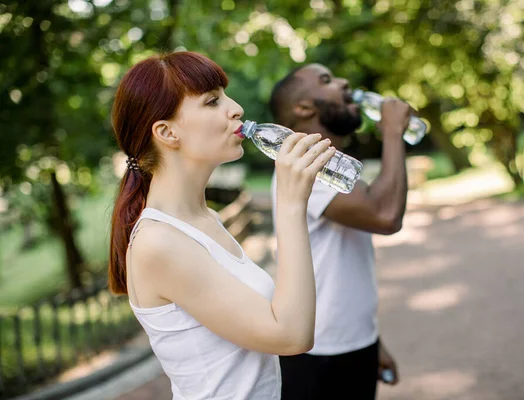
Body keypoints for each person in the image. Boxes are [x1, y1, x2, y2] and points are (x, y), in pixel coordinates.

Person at [107, 52, 336, 399]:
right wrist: (290, 205)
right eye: (213, 101)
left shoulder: (205, 219)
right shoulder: (159, 243)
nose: (236, 108)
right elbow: (292, 336)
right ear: (167, 132)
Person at [269, 63, 412, 399]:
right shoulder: (305, 164)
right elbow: (385, 214)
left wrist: (371, 343)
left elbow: (338, 269)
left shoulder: (329, 163)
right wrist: (392, 131)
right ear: (303, 108)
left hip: (351, 345)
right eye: (327, 80)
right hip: (318, 355)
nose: (345, 81)